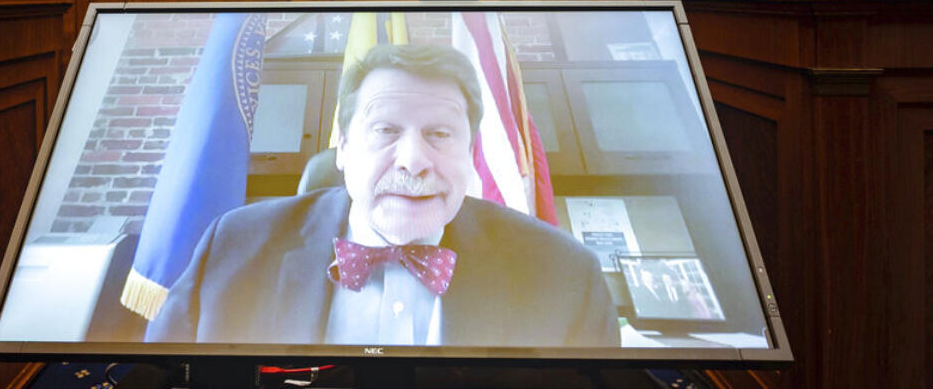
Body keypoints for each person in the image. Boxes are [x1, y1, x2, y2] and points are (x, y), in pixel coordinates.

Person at [146, 44, 618, 347]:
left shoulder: (565, 275)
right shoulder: (233, 245)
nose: (413, 160)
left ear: (471, 155)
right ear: (344, 150)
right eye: (385, 130)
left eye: (439, 133)